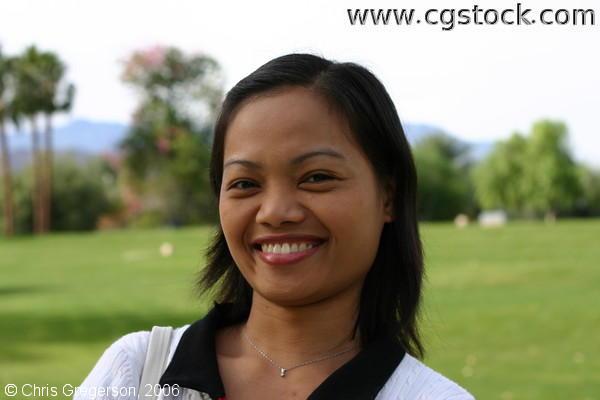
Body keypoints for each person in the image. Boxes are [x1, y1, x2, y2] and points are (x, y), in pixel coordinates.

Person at [75, 54, 474, 400]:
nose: (275, 212)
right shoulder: (138, 371)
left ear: (387, 197)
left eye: (316, 177)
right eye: (245, 184)